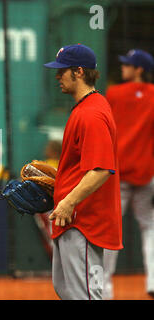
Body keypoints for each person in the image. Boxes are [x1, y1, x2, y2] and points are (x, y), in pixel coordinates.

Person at [44, 44, 123, 300]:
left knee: (84, 296)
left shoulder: (92, 113)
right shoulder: (84, 108)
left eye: (62, 71)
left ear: (78, 72)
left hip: (84, 222)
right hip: (73, 219)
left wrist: (67, 202)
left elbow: (101, 170)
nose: (57, 76)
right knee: (66, 290)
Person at [103, 49, 154, 299]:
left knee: (112, 230)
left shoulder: (114, 93)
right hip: (147, 172)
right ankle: (153, 281)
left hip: (118, 172)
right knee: (151, 227)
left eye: (128, 64)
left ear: (140, 70)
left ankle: (105, 287)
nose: (123, 67)